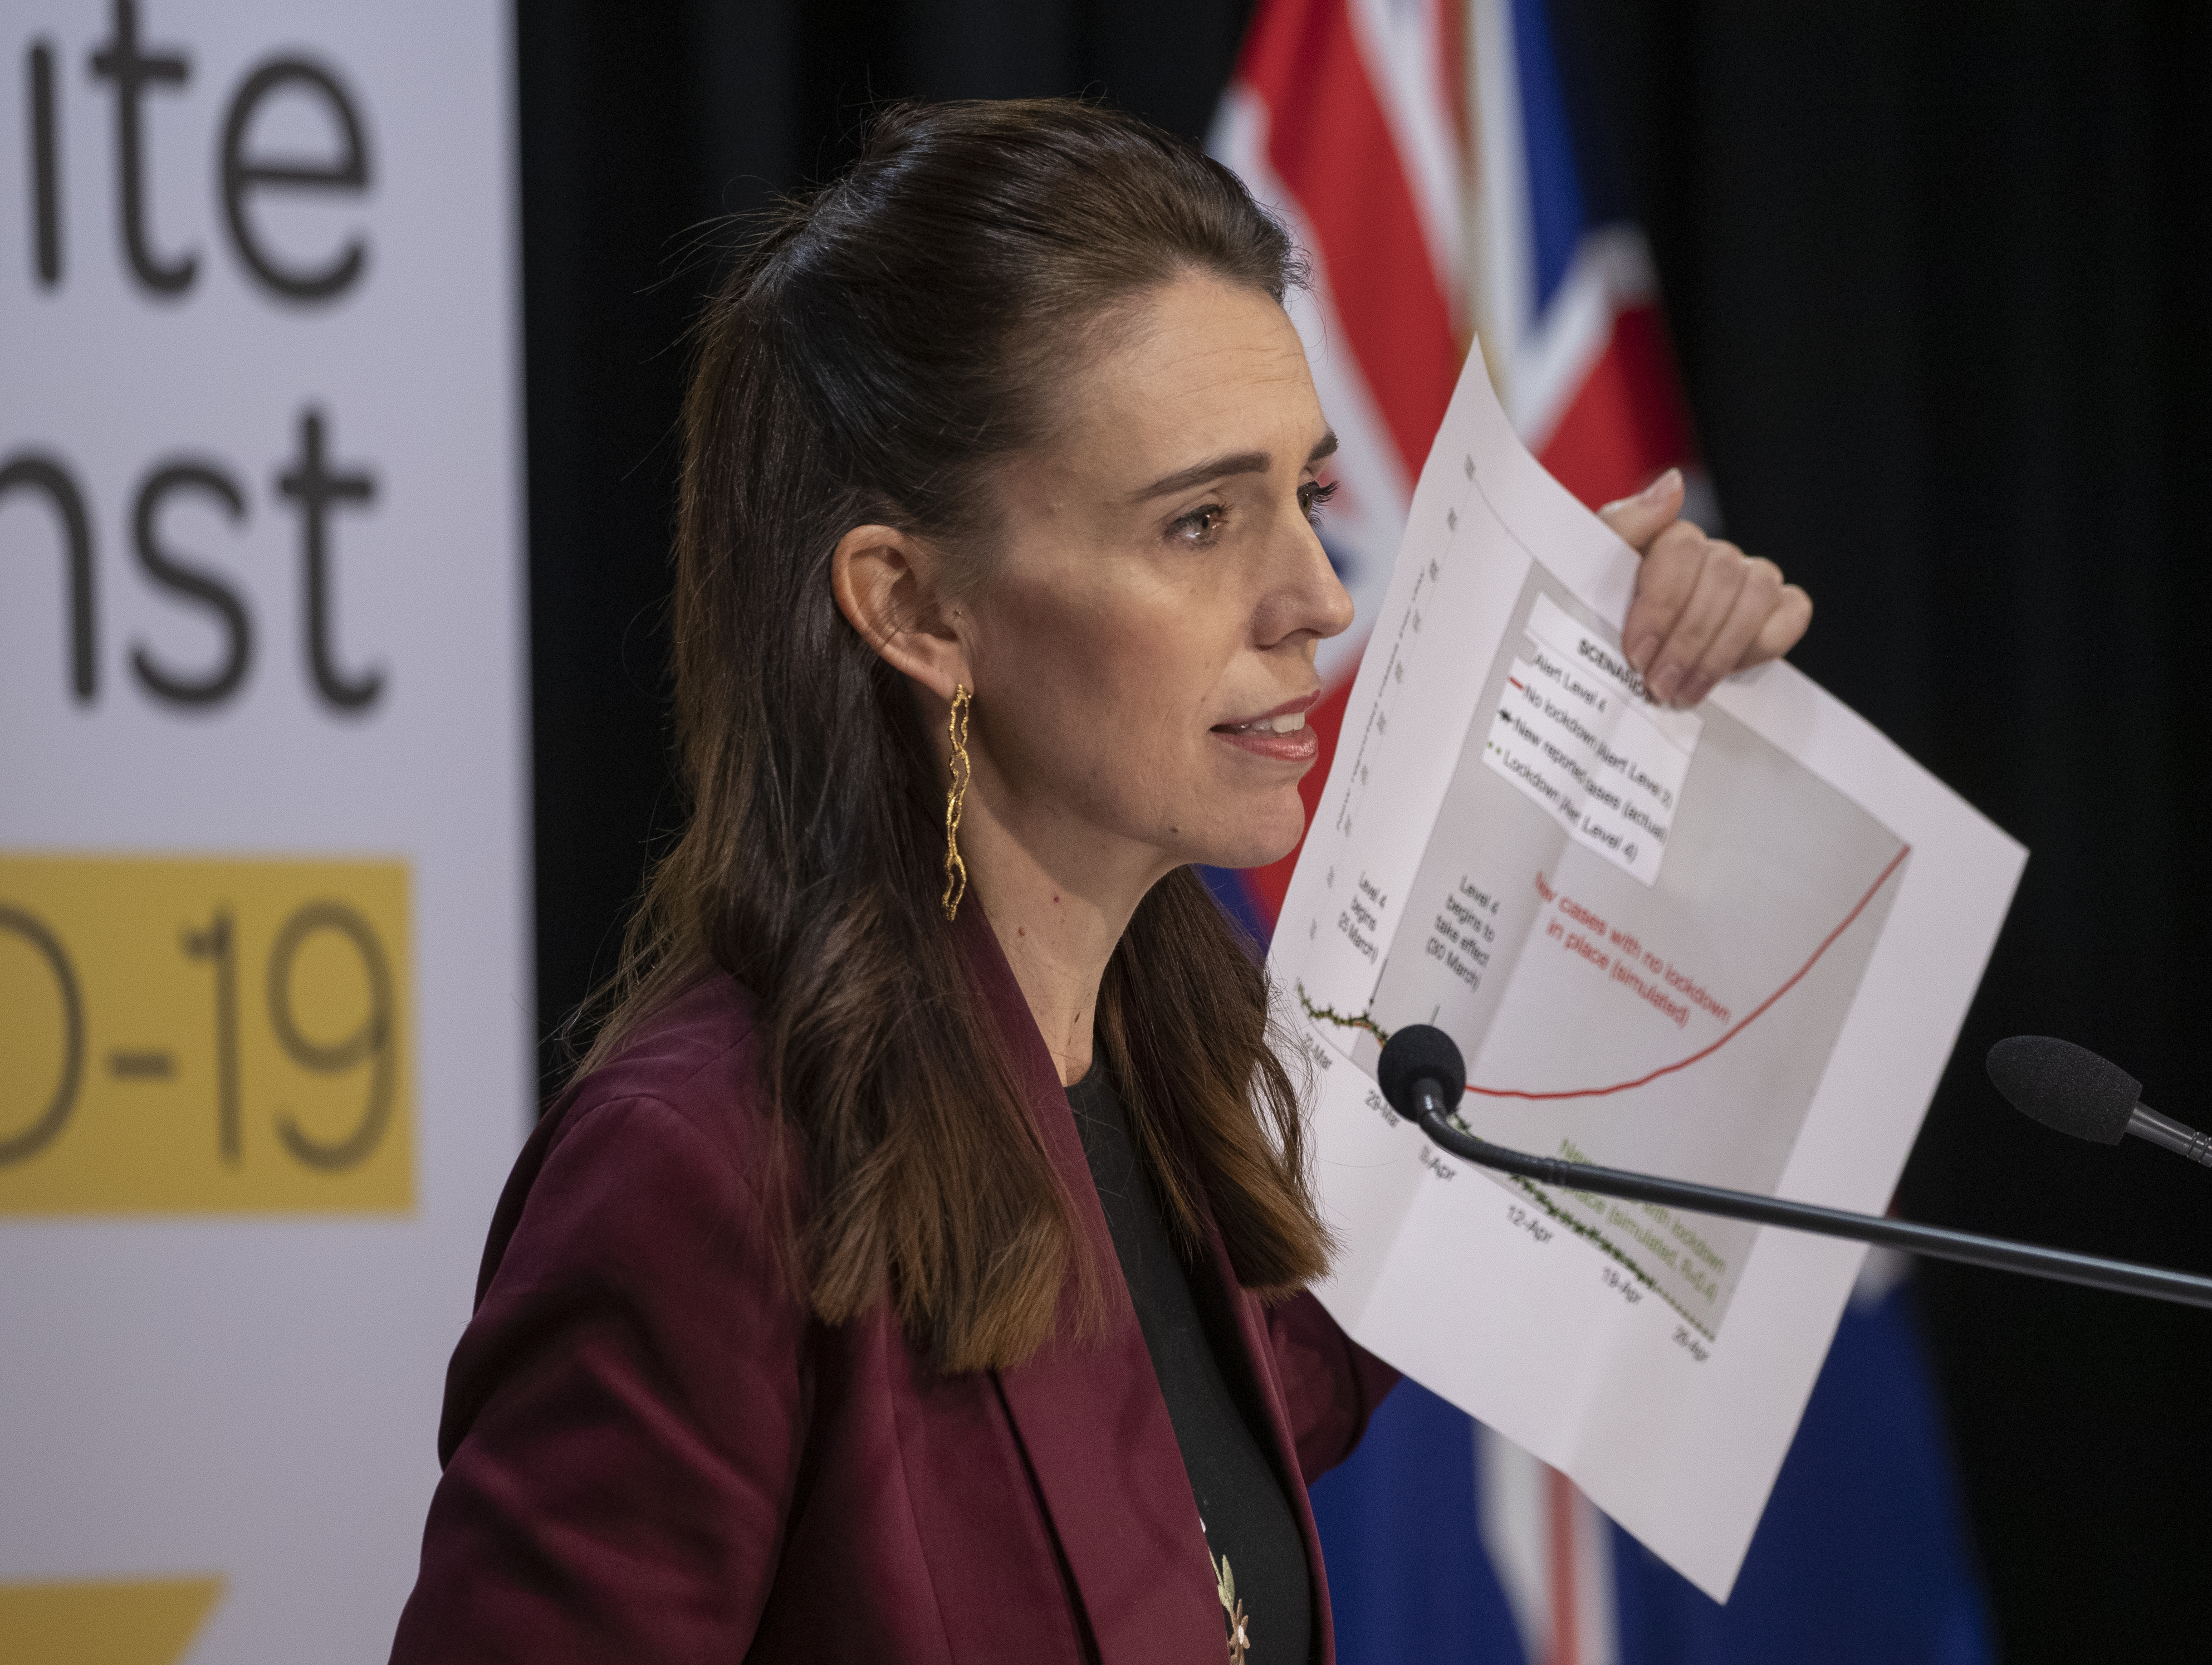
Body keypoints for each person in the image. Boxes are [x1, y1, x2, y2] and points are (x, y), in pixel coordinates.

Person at [388, 99, 1809, 1665]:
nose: (1317, 599)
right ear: (915, 608)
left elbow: (1263, 1416)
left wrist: (1607, 717)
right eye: (1199, 522)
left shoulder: (1183, 1066)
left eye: (1308, 498)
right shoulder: (702, 1172)